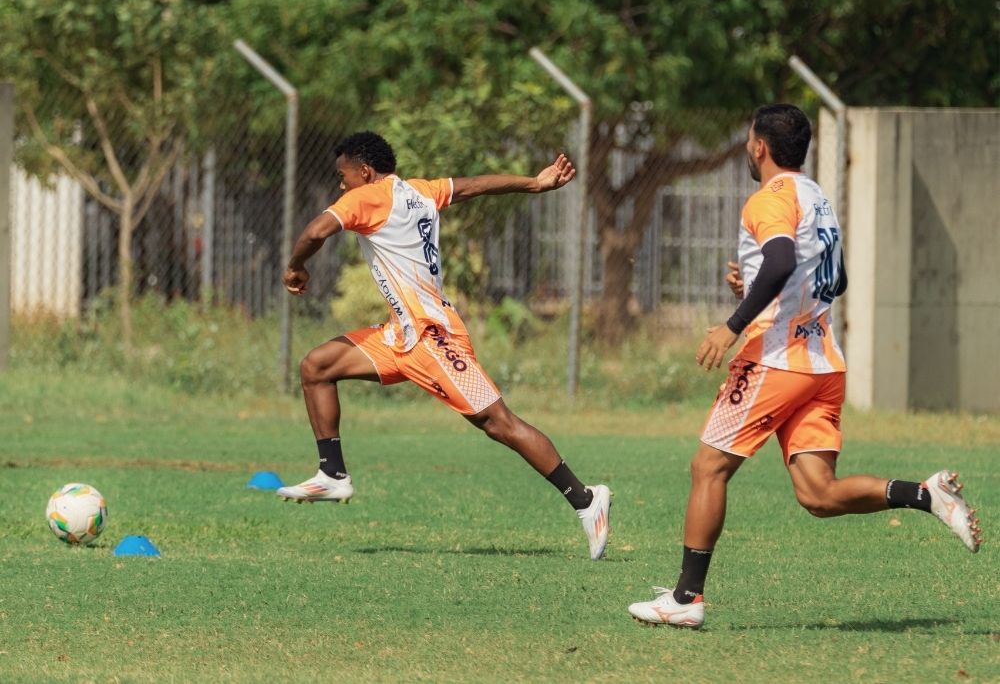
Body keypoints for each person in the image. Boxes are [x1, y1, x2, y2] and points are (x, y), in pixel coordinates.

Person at [628, 104, 982, 628]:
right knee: (817, 493)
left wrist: (733, 323)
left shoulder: (767, 199)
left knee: (708, 467)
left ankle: (685, 600)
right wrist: (755, 289)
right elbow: (831, 281)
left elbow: (779, 263)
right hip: (822, 364)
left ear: (758, 146)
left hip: (775, 359)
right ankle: (925, 495)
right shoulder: (817, 197)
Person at [276, 131, 612, 560]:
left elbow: (315, 230)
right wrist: (533, 182)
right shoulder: (419, 191)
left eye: (343, 176)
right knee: (317, 366)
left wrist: (294, 268)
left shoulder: (367, 197)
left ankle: (586, 500)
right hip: (400, 335)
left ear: (364, 170)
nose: (340, 186)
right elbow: (473, 186)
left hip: (433, 338)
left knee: (498, 423)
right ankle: (332, 472)